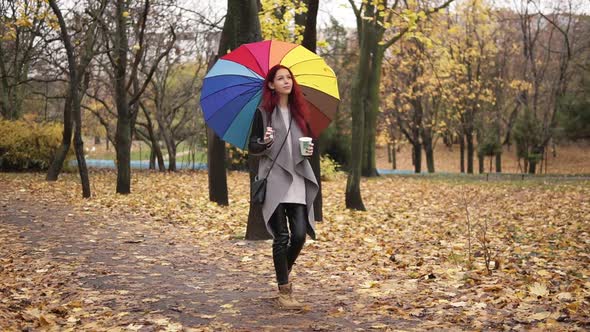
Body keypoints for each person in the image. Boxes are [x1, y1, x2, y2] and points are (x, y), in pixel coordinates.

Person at [249, 64, 319, 310]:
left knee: (299, 235)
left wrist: (308, 151)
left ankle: (282, 278)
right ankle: (284, 293)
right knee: (281, 237)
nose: (286, 81)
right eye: (280, 78)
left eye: (288, 77)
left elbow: (306, 146)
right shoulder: (263, 114)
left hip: (297, 177)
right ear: (271, 85)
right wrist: (264, 142)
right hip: (275, 178)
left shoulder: (300, 112)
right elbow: (253, 147)